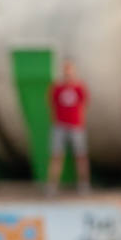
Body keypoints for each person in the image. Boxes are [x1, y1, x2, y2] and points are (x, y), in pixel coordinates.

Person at [46, 59, 91, 195]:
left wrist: (79, 120)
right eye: (66, 70)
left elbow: (84, 104)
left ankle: (84, 184)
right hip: (60, 126)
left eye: (70, 70)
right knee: (56, 155)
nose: (68, 74)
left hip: (76, 126)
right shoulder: (57, 88)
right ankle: (52, 186)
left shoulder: (79, 87)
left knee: (81, 156)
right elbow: (51, 103)